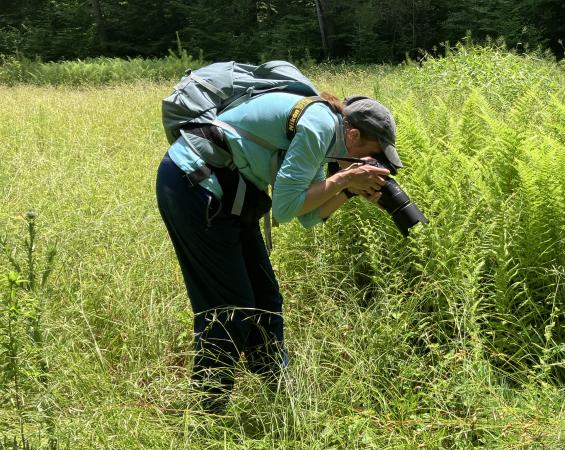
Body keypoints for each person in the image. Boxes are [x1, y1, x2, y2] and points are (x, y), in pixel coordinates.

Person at [155, 90, 401, 412]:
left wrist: (349, 191)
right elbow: (285, 209)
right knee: (232, 309)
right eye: (371, 156)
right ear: (352, 135)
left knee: (267, 301)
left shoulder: (326, 141)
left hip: (230, 193)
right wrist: (344, 178)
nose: (371, 165)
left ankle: (279, 398)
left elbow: (307, 215)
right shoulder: (318, 127)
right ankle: (207, 412)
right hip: (194, 184)